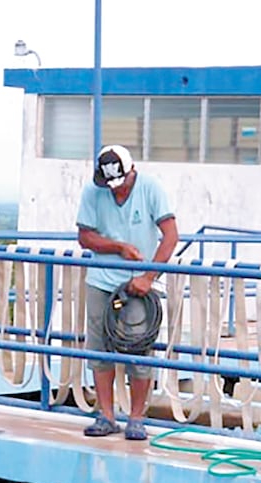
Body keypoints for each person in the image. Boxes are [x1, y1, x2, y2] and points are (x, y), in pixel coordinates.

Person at [76, 144, 178, 440]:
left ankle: (136, 418)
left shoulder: (151, 188)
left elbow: (171, 235)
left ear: (132, 171)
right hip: (101, 280)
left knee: (138, 348)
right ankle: (106, 415)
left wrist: (148, 277)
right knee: (99, 349)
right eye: (110, 184)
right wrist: (118, 247)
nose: (115, 189)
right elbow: (85, 237)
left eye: (120, 183)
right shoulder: (93, 191)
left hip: (138, 285)